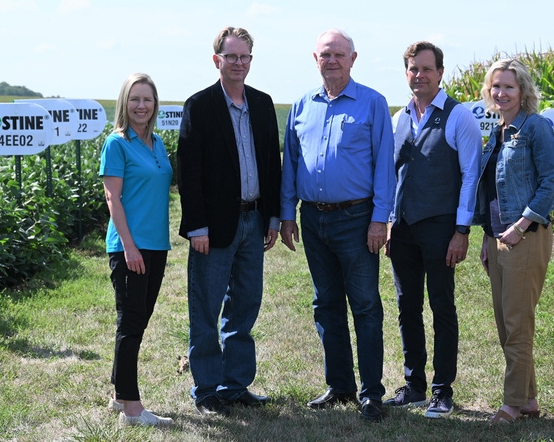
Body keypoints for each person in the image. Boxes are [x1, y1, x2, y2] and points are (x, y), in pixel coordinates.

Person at [280, 28, 395, 422]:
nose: (331, 61)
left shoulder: (372, 104)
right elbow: (291, 164)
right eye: (324, 55)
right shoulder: (301, 106)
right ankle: (340, 384)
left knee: (364, 305)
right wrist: (286, 214)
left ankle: (371, 393)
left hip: (357, 218)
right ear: (315, 59)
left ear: (353, 59)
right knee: (325, 303)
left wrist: (380, 218)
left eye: (339, 55)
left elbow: (384, 167)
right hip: (313, 219)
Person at [176, 26, 281, 417]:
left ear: (251, 61)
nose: (238, 64)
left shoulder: (263, 103)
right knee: (205, 306)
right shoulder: (199, 105)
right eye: (231, 56)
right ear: (216, 59)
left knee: (245, 305)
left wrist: (272, 215)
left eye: (245, 57)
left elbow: (272, 163)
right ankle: (206, 388)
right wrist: (197, 226)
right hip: (215, 227)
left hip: (254, 221)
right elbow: (189, 170)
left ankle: (235, 385)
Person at [383, 41, 482, 419]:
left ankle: (443, 390)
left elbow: (470, 175)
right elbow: (393, 176)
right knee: (407, 306)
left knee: (442, 307)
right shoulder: (399, 119)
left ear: (441, 73)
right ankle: (414, 386)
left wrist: (462, 231)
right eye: (413, 69)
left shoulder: (459, 117)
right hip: (404, 227)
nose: (420, 75)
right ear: (406, 73)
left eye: (427, 69)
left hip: (442, 227)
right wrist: (391, 220)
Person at [474, 59, 554, 424]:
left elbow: (549, 184)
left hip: (524, 237)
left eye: (509, 86)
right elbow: (492, 191)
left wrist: (521, 225)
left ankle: (510, 405)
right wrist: (486, 237)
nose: (501, 93)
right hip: (498, 237)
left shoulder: (535, 128)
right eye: (496, 87)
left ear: (523, 90)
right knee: (508, 324)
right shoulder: (498, 132)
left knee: (518, 324)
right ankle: (528, 401)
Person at [100, 73, 174, 427]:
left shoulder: (157, 143)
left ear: (155, 105)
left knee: (137, 321)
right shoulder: (116, 143)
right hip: (130, 247)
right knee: (131, 324)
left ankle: (118, 394)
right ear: (124, 104)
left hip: (156, 244)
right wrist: (129, 247)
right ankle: (132, 409)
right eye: (134, 99)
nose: (141, 105)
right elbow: (112, 197)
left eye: (147, 99)